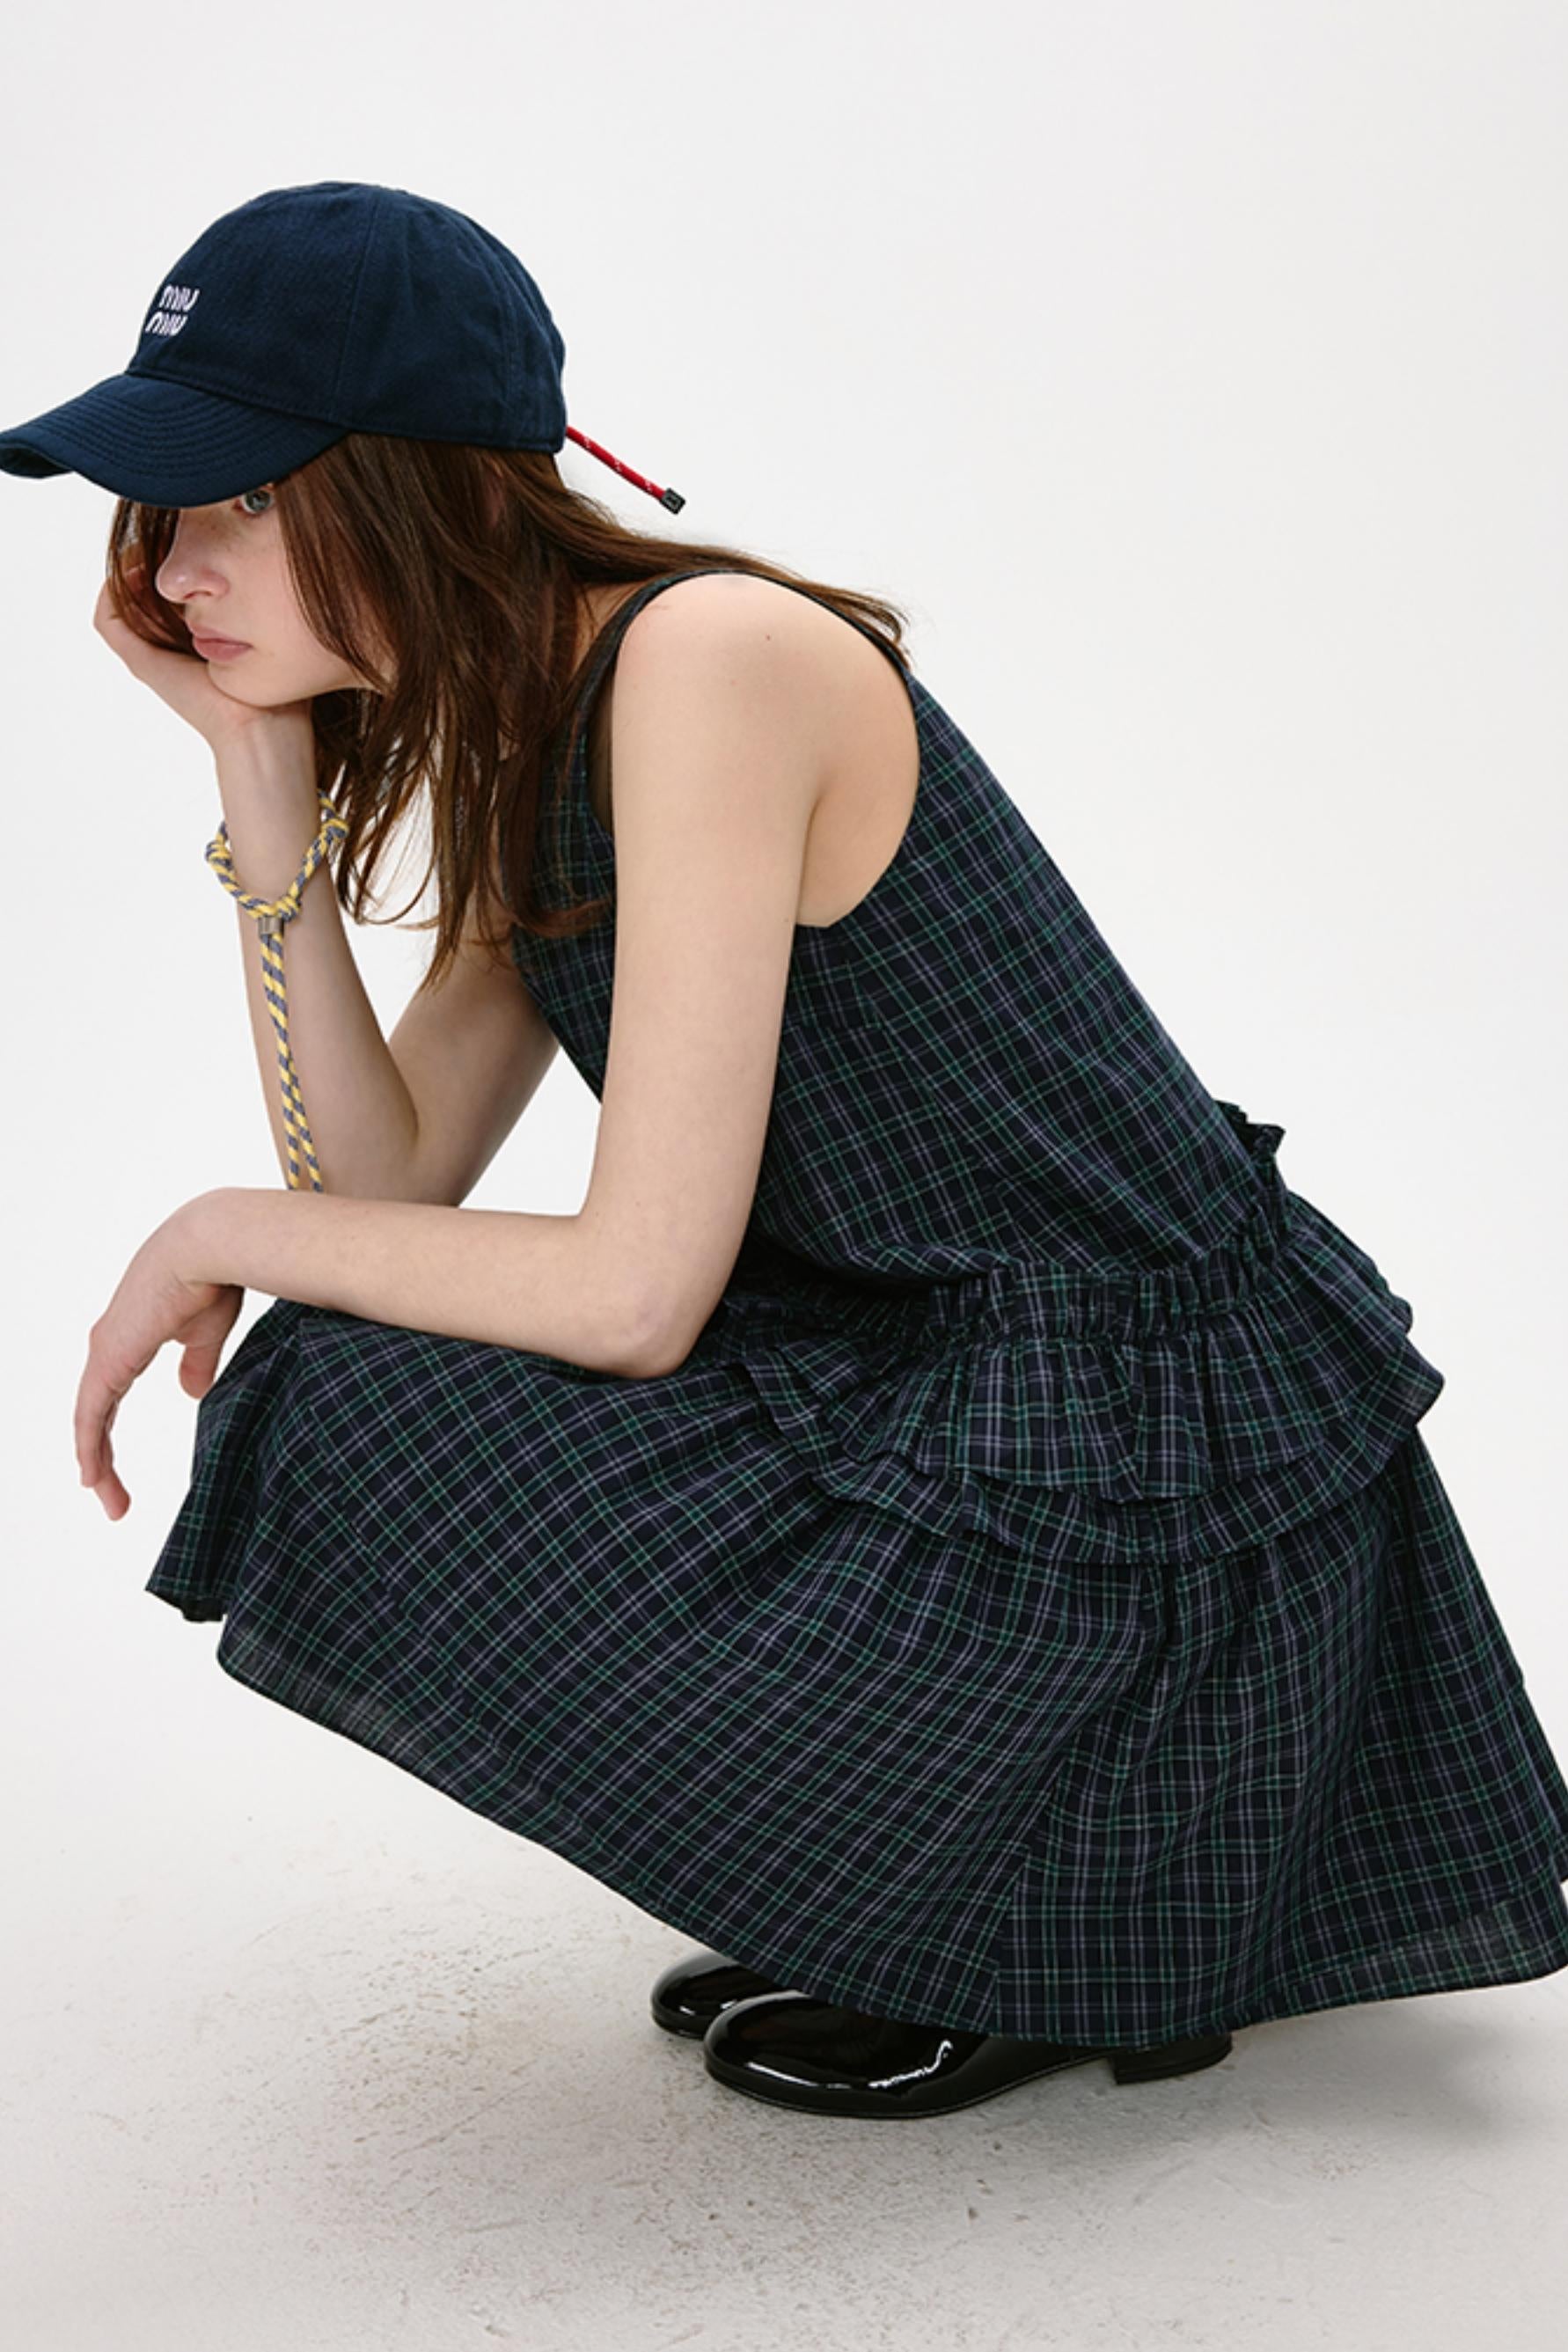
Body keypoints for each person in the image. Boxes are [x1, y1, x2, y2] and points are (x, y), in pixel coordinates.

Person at [9, 180, 1568, 2125]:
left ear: (421, 482)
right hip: (929, 1404)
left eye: (236, 498)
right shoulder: (532, 721)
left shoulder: (706, 660)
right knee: (345, 1366)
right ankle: (920, 1891)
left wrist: (205, 1225)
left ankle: (1037, 1925)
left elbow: (631, 1295)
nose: (172, 569)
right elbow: (383, 1201)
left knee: (337, 1375)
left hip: (1127, 1507)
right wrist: (256, 776)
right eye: (160, 507)